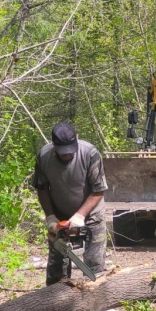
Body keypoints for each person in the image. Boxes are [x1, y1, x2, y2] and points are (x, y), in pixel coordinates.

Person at [32, 122, 108, 285]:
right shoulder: (44, 156)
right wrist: (51, 217)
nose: (67, 155)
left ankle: (95, 305)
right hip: (61, 216)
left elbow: (98, 190)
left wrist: (80, 216)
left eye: (70, 151)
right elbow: (42, 188)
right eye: (63, 152)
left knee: (95, 266)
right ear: (54, 146)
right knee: (56, 270)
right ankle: (55, 303)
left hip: (92, 215)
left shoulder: (90, 154)